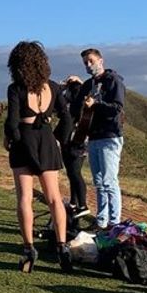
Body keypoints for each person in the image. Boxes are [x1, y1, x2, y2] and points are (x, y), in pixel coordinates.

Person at [4, 41, 73, 273]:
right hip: (46, 139)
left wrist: (10, 140)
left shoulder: (16, 89)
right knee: (55, 197)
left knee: (25, 198)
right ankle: (62, 247)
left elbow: (12, 122)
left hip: (25, 140)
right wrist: (57, 139)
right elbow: (67, 117)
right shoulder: (52, 87)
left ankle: (28, 249)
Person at [69, 48, 125, 230]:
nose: (88, 65)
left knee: (110, 181)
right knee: (99, 182)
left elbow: (117, 108)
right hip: (92, 136)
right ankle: (101, 221)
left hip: (110, 136)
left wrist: (97, 104)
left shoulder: (113, 81)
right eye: (85, 62)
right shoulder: (88, 84)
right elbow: (77, 105)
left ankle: (114, 222)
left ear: (101, 60)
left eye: (91, 61)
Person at [58, 79, 90, 218]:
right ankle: (74, 202)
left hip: (74, 145)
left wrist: (62, 88)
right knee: (73, 174)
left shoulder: (73, 110)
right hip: (80, 144)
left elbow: (57, 102)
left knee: (75, 174)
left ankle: (82, 205)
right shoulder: (83, 107)